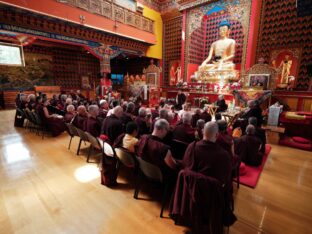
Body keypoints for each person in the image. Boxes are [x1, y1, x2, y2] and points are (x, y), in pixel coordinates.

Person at [182, 121, 232, 186]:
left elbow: (185, 166)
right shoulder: (224, 155)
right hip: (209, 192)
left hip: (190, 186)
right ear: (217, 135)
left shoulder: (191, 146)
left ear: (203, 131)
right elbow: (224, 181)